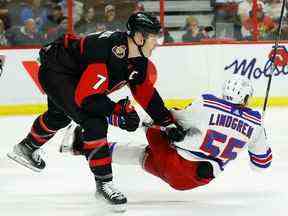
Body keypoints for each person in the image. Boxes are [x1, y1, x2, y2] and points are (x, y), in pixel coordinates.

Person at [7, 12, 185, 212]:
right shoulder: (108, 50)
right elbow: (87, 99)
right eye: (154, 38)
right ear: (139, 37)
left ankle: (26, 148)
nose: (157, 43)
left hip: (69, 70)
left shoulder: (137, 58)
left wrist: (167, 122)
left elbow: (146, 94)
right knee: (94, 122)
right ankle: (104, 184)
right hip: (56, 70)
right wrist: (117, 111)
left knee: (59, 117)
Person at [62, 75, 272, 191]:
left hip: (173, 162)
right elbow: (261, 166)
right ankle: (81, 147)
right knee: (144, 155)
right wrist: (257, 130)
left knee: (153, 120)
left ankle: (97, 123)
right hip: (191, 182)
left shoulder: (208, 103)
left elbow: (172, 117)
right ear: (246, 98)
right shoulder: (256, 123)